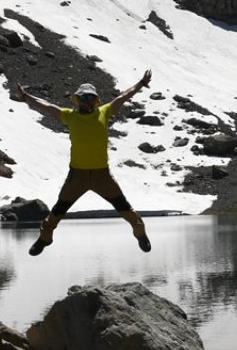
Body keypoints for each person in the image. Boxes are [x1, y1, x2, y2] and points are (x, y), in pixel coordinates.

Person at [12, 70, 153, 256]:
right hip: (77, 177)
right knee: (56, 213)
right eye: (85, 98)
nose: (88, 102)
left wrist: (141, 83)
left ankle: (140, 234)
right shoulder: (69, 116)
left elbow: (123, 96)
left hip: (102, 176)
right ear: (77, 100)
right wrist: (26, 97)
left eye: (92, 99)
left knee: (126, 210)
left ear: (96, 101)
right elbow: (47, 106)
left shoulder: (104, 112)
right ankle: (45, 239)